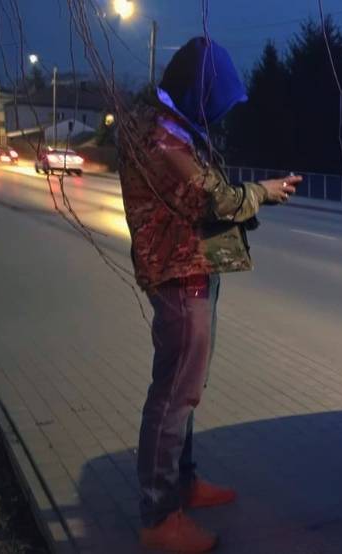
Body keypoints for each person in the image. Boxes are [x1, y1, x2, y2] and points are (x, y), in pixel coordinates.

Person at [117, 37, 301, 553]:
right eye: (215, 102)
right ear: (198, 92)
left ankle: (183, 482)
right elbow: (212, 197)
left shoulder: (168, 123)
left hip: (192, 269)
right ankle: (159, 518)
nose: (217, 115)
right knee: (173, 396)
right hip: (179, 278)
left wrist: (250, 202)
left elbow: (204, 199)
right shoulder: (162, 137)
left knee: (186, 390)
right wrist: (263, 192)